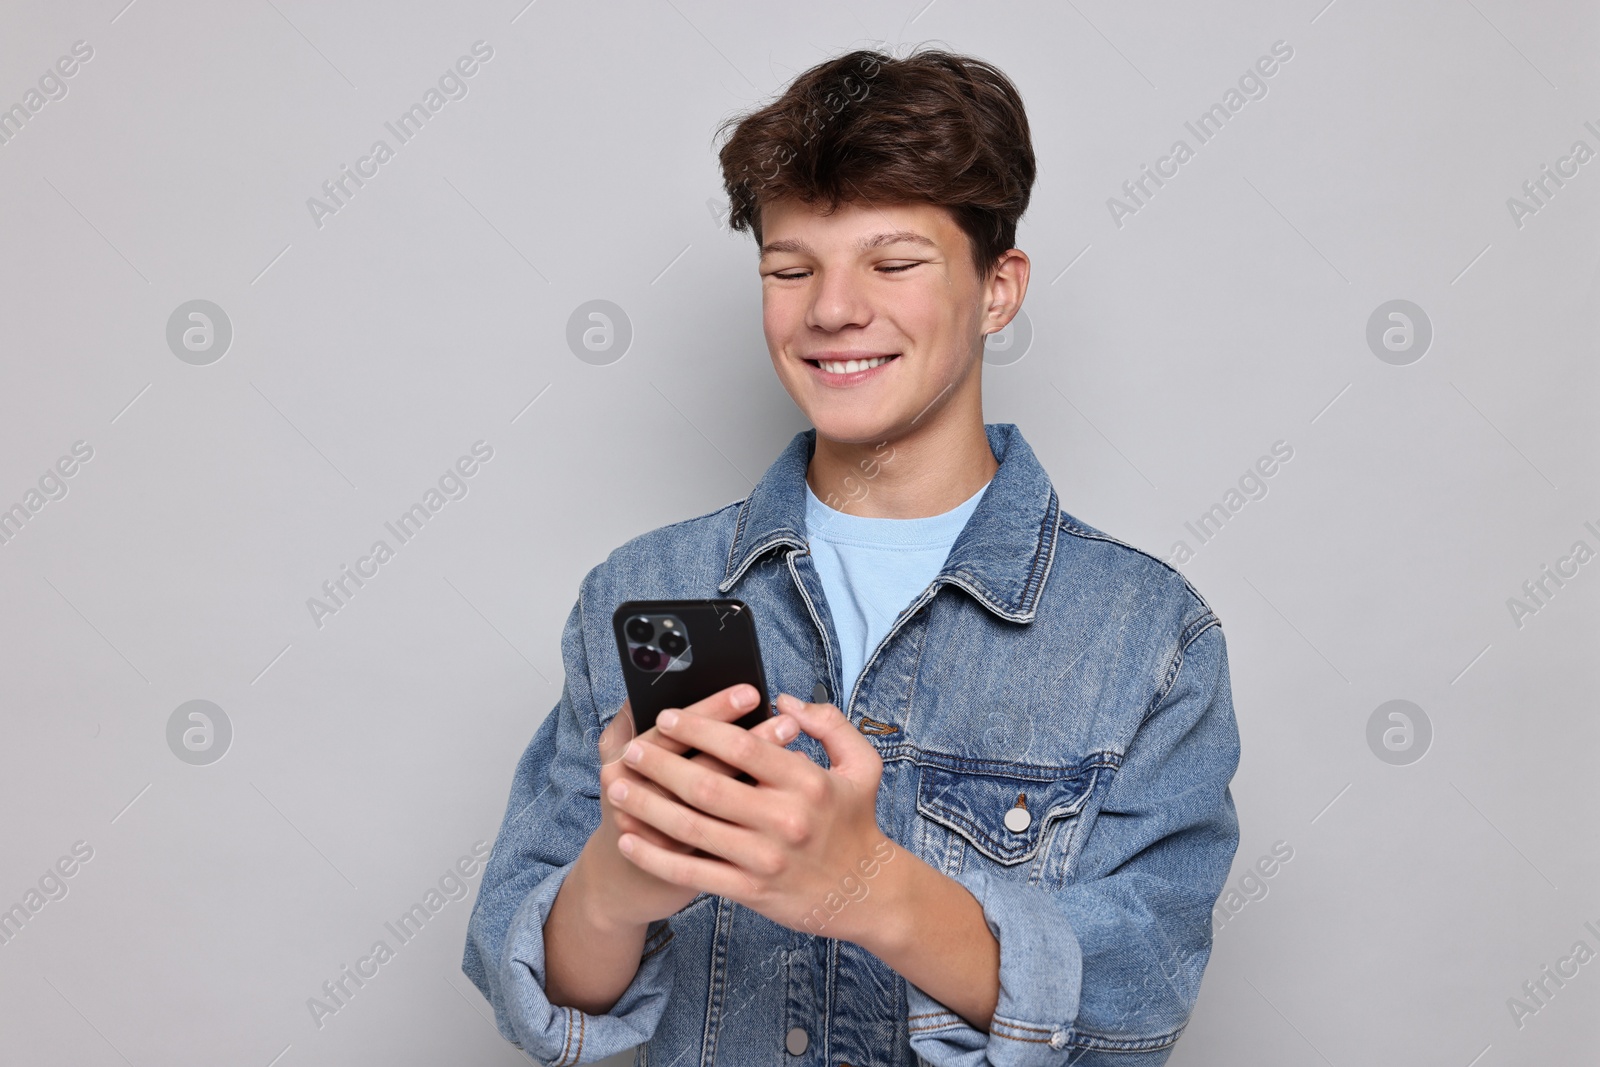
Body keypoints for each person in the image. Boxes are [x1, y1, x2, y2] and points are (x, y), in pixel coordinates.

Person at [463, 46, 1241, 1066]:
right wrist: (625, 874)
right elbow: (535, 992)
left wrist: (865, 886)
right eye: (790, 269)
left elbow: (1138, 999)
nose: (831, 308)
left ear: (997, 288)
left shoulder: (1147, 633)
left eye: (894, 262)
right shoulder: (644, 590)